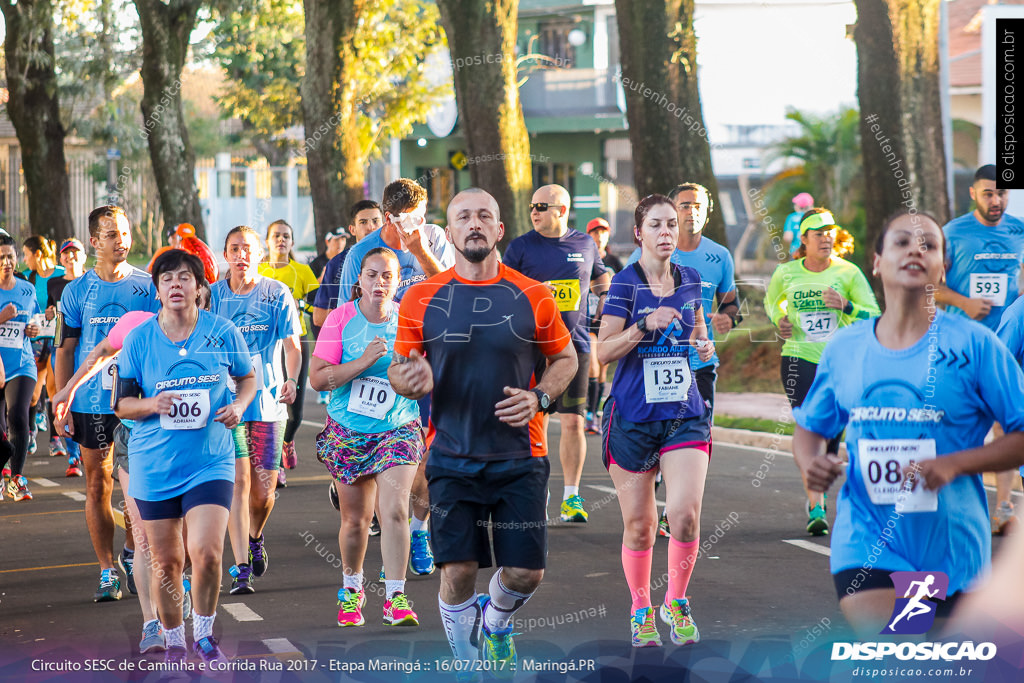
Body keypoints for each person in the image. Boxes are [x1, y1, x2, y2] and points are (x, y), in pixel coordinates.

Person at [793, 209, 1024, 639]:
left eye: (929, 245)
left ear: (942, 267)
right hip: (867, 536)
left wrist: (953, 465)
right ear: (877, 261)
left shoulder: (975, 345)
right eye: (901, 242)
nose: (916, 250)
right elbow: (810, 426)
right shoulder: (846, 347)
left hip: (952, 545)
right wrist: (811, 464)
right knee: (897, 645)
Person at [389, 187, 576, 673]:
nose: (474, 223)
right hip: (451, 456)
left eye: (484, 216)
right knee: (458, 571)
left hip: (520, 455)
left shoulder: (531, 294)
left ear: (498, 230)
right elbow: (398, 368)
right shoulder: (420, 297)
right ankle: (468, 664)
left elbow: (566, 357)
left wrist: (540, 397)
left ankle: (495, 621)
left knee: (525, 573)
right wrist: (407, 379)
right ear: (448, 232)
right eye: (463, 217)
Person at [115, 249, 256, 665]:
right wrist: (152, 405)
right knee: (167, 561)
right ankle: (174, 639)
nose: (176, 285)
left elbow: (247, 378)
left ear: (199, 287)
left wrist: (240, 406)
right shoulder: (139, 340)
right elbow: (121, 405)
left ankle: (205, 633)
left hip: (210, 459)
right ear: (157, 290)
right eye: (167, 280)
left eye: (184, 278)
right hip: (154, 464)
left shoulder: (223, 331)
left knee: (208, 553)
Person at [596, 194, 715, 648]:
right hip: (631, 417)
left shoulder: (691, 279)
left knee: (684, 515)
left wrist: (704, 348)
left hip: (683, 412)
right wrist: (643, 325)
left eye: (673, 224)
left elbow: (698, 330)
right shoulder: (625, 284)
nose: (667, 231)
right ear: (639, 233)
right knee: (642, 525)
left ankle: (677, 601)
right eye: (657, 225)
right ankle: (641, 607)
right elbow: (601, 353)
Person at [322, 182, 456, 576]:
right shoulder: (359, 254)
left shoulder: (434, 239)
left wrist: (420, 250)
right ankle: (392, 534)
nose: (411, 225)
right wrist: (356, 364)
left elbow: (454, 292)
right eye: (402, 219)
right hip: (376, 370)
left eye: (419, 215)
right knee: (389, 469)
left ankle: (417, 529)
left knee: (429, 458)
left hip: (431, 360)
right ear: (386, 214)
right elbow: (345, 314)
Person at [310, 248, 425, 628]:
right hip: (349, 429)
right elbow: (317, 379)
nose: (380, 283)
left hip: (398, 427)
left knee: (394, 511)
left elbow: (427, 373)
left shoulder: (409, 320)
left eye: (387, 276)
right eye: (372, 275)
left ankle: (396, 597)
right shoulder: (341, 319)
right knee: (356, 521)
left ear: (397, 281)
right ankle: (352, 591)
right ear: (359, 280)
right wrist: (363, 362)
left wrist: (413, 375)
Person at [55, 205, 160, 602]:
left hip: (136, 401)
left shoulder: (148, 286)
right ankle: (106, 569)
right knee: (98, 482)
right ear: (94, 242)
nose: (121, 241)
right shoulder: (76, 291)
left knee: (138, 485)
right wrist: (62, 396)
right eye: (112, 235)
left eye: (125, 233)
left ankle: (133, 552)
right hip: (90, 401)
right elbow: (64, 349)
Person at [625, 183, 741, 537]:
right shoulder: (639, 259)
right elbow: (623, 313)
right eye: (685, 205)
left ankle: (676, 509)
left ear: (708, 212)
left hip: (699, 365)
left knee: (693, 439)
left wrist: (728, 319)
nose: (692, 211)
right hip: (654, 363)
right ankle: (654, 497)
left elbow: (732, 303)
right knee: (657, 439)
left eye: (699, 206)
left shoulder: (719, 256)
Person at [764, 208, 880, 536]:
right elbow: (772, 302)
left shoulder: (849, 273)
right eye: (818, 232)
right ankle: (816, 504)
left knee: (831, 437)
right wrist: (779, 320)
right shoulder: (786, 273)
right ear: (803, 239)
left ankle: (821, 492)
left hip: (839, 362)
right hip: (798, 359)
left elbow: (874, 314)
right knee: (810, 429)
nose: (827, 237)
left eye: (830, 231)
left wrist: (846, 306)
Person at [502, 184, 610, 523]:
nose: (533, 211)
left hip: (572, 346)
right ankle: (537, 489)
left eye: (541, 205)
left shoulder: (585, 243)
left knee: (575, 423)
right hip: (529, 346)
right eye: (532, 205)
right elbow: (501, 291)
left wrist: (606, 299)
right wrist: (535, 292)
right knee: (534, 422)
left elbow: (600, 276)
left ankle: (571, 497)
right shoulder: (520, 247)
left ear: (561, 210)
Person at [934, 164, 1024, 536]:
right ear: (973, 193)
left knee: (1009, 425)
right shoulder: (952, 233)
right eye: (989, 193)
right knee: (962, 426)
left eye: (1002, 193)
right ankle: (947, 506)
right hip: (963, 348)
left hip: (1009, 346)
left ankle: (1003, 506)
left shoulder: (1019, 230)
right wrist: (964, 301)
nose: (997, 200)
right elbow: (929, 287)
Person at [211, 225, 301, 594]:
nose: (241, 254)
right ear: (226, 254)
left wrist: (292, 379)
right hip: (227, 403)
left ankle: (254, 535)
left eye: (248, 248)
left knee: (263, 493)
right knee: (239, 484)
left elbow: (293, 346)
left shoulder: (276, 293)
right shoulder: (212, 296)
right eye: (234, 248)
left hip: (266, 403)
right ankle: (241, 568)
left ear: (259, 254)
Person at [258, 219, 319, 485]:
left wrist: (300, 305)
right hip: (265, 344)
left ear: (292, 242)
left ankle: (288, 439)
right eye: (276, 236)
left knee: (295, 411)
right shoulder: (258, 270)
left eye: (286, 236)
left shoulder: (302, 271)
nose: (281, 240)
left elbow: (318, 309)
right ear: (267, 241)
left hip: (295, 342)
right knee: (269, 404)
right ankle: (276, 465)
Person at [0, 234, 41, 502]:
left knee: (18, 415)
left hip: (22, 364)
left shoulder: (27, 289)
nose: (6, 262)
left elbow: (34, 323)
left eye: (10, 256)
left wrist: (33, 329)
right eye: (1, 257)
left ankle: (16, 478)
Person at [21, 236, 65, 460]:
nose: (24, 259)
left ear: (37, 254)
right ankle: (31, 427)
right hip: (37, 339)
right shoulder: (30, 277)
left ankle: (55, 439)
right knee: (34, 392)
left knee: (54, 387)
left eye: (26, 255)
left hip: (60, 338)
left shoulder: (61, 274)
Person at [311, 200, 386, 326]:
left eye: (375, 221)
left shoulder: (397, 256)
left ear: (384, 224)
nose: (371, 227)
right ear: (352, 229)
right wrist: (353, 317)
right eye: (363, 222)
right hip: (353, 338)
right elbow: (318, 317)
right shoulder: (337, 264)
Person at [47, 238, 86, 477]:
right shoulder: (54, 284)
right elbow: (50, 313)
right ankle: (73, 454)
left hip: (90, 349)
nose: (70, 257)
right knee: (64, 395)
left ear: (83, 256)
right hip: (62, 346)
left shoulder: (92, 282)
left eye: (75, 253)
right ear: (60, 259)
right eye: (66, 254)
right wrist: (50, 313)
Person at [584, 219, 620, 433]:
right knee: (592, 364)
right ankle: (589, 411)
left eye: (603, 232)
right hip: (588, 319)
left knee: (602, 371)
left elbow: (627, 285)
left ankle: (595, 411)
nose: (599, 236)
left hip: (609, 320)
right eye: (595, 232)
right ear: (589, 235)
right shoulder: (583, 258)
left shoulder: (614, 261)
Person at [782, 192, 814, 257]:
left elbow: (788, 237)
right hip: (811, 253)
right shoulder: (814, 217)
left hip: (796, 252)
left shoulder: (792, 217)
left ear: (799, 206)